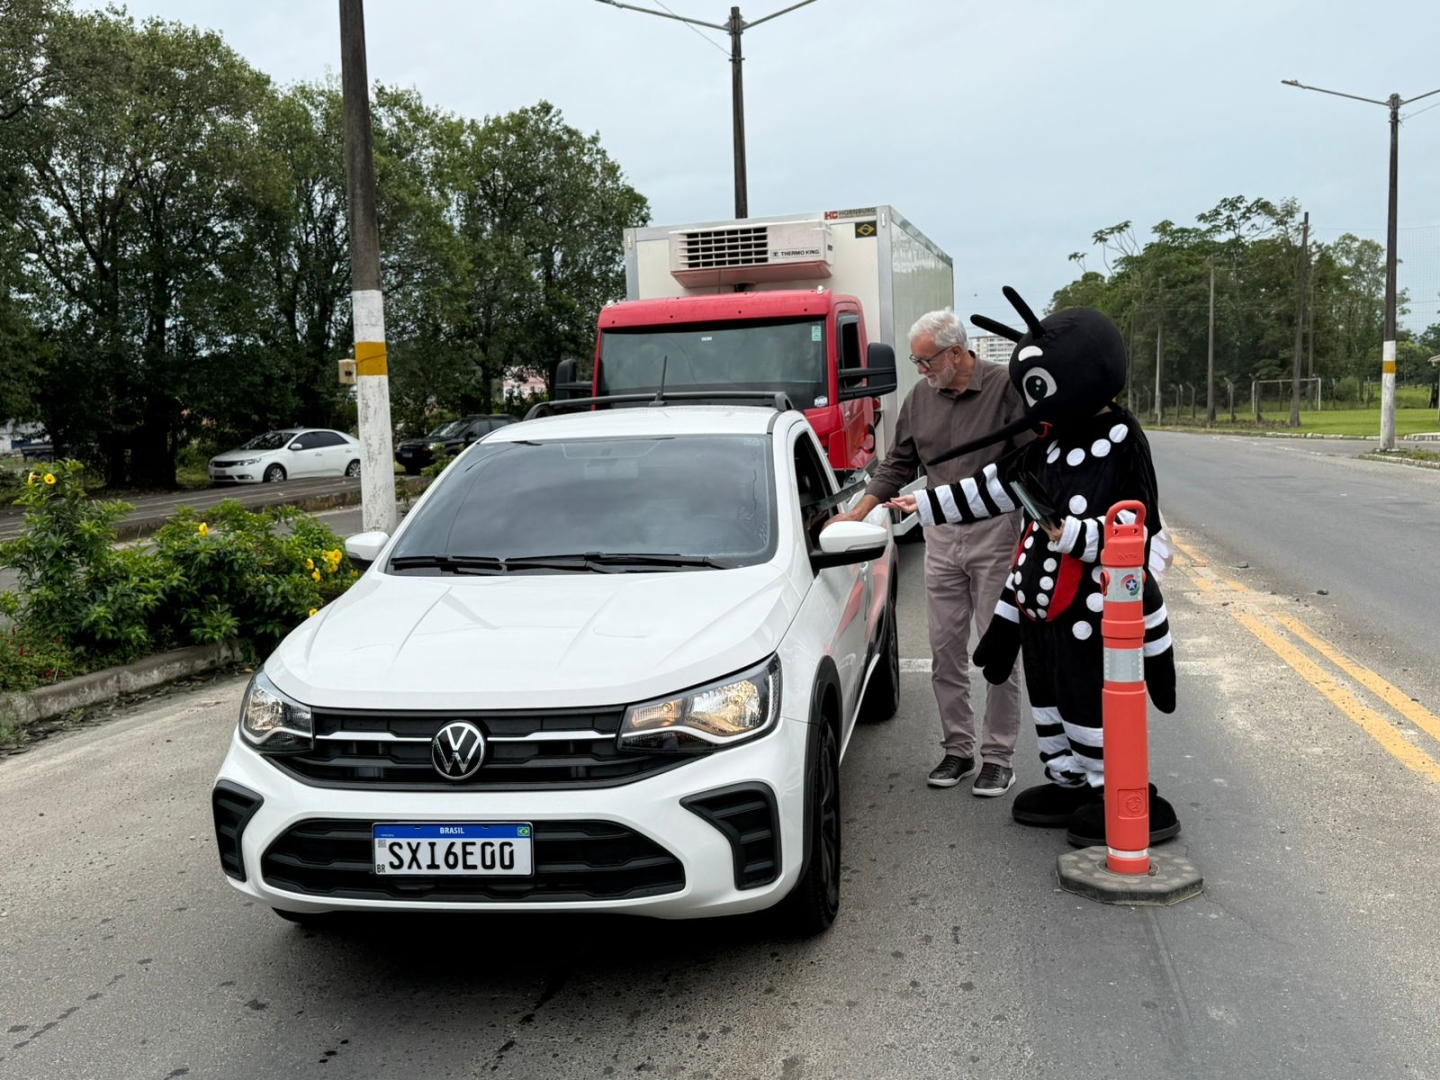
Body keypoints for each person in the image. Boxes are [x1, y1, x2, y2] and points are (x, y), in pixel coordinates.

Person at [885, 287, 1179, 847]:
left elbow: (1137, 529)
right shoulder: (1045, 447)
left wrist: (1073, 535)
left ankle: (1117, 788)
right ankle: (1069, 780)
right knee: (1047, 694)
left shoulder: (1122, 437)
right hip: (1040, 605)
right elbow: (992, 488)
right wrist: (923, 504)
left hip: (1095, 605)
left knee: (1089, 695)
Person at [834, 309, 1031, 796]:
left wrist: (1030, 535)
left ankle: (999, 757)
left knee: (997, 650)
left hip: (995, 533)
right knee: (944, 650)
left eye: (926, 361)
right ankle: (958, 749)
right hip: (940, 534)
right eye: (915, 362)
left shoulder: (1005, 388)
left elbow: (1030, 465)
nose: (920, 371)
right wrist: (857, 513)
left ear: (957, 352)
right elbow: (899, 463)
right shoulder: (920, 398)